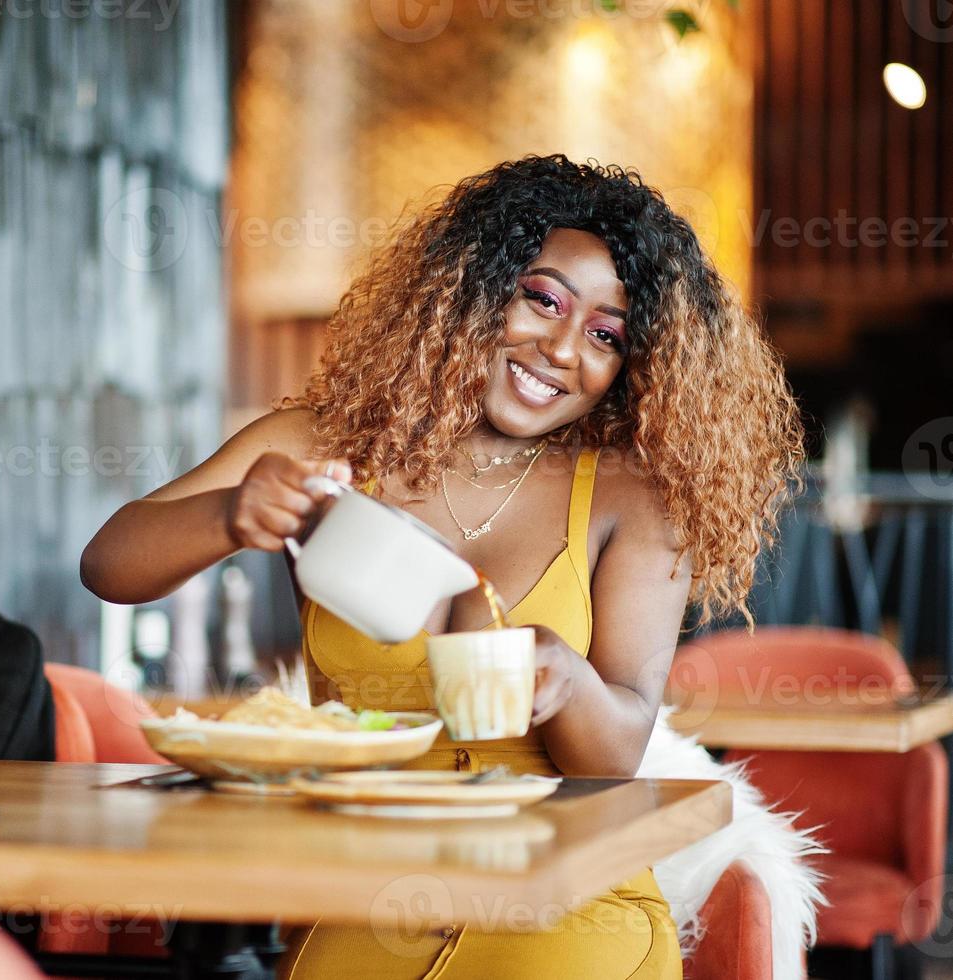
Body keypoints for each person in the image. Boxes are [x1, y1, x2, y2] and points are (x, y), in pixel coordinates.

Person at [80, 155, 804, 978]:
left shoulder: (633, 500)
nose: (563, 350)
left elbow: (615, 757)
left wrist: (564, 679)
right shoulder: (322, 447)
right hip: (366, 898)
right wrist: (229, 513)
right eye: (541, 299)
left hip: (563, 902)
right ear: (472, 289)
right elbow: (109, 565)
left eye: (605, 335)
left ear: (629, 367)